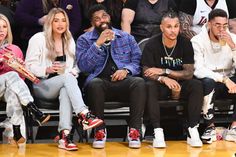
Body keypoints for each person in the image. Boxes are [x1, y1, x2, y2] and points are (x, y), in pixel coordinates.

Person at [25, 8, 103, 151]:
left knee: (66, 88)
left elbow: (76, 66)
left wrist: (72, 73)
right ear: (50, 22)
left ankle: (65, 135)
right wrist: (46, 69)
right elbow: (28, 67)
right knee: (67, 81)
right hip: (42, 85)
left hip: (64, 83)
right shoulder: (38, 38)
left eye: (63, 20)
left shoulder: (69, 39)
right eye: (56, 20)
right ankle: (84, 114)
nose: (60, 24)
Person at [76, 4, 146, 149]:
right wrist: (97, 44)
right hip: (100, 85)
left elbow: (137, 62)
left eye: (104, 16)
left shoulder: (126, 37)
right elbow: (84, 67)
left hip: (123, 83)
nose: (101, 20)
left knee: (139, 82)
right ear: (92, 23)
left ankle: (134, 130)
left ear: (110, 17)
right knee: (94, 84)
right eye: (96, 19)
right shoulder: (84, 40)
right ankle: (99, 130)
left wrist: (126, 70)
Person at [141, 10, 203, 148]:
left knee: (197, 85)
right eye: (169, 27)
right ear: (162, 27)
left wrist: (166, 71)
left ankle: (192, 129)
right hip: (160, 85)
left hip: (181, 84)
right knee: (149, 86)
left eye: (176, 26)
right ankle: (157, 131)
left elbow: (188, 73)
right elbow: (146, 71)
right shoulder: (152, 44)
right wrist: (163, 79)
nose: (173, 30)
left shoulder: (186, 43)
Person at [0, 13, 50, 146]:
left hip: (8, 89)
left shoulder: (14, 49)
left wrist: (18, 67)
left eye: (4, 27)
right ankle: (33, 108)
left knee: (14, 94)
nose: (1, 30)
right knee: (11, 76)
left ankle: (15, 132)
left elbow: (21, 78)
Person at [191, 9, 236, 144]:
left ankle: (234, 127)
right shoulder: (197, 41)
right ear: (209, 24)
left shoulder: (232, 38)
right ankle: (210, 127)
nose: (221, 29)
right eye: (217, 25)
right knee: (206, 81)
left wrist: (233, 47)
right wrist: (224, 79)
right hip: (211, 82)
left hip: (230, 81)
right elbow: (198, 70)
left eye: (225, 25)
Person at [14, 0, 82, 52]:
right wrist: (38, 21)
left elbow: (76, 21)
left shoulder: (71, 1)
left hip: (64, 41)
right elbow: (19, 16)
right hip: (36, 42)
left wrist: (64, 36)